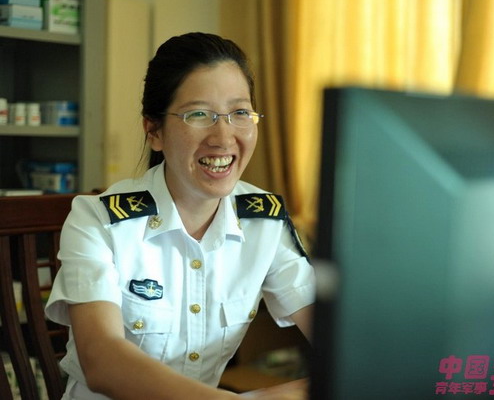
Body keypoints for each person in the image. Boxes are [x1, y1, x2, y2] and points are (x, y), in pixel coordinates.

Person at [45, 32, 315, 400]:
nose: (224, 138)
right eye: (198, 114)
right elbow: (102, 359)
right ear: (154, 131)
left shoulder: (263, 220)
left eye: (239, 113)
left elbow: (334, 331)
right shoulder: (98, 220)